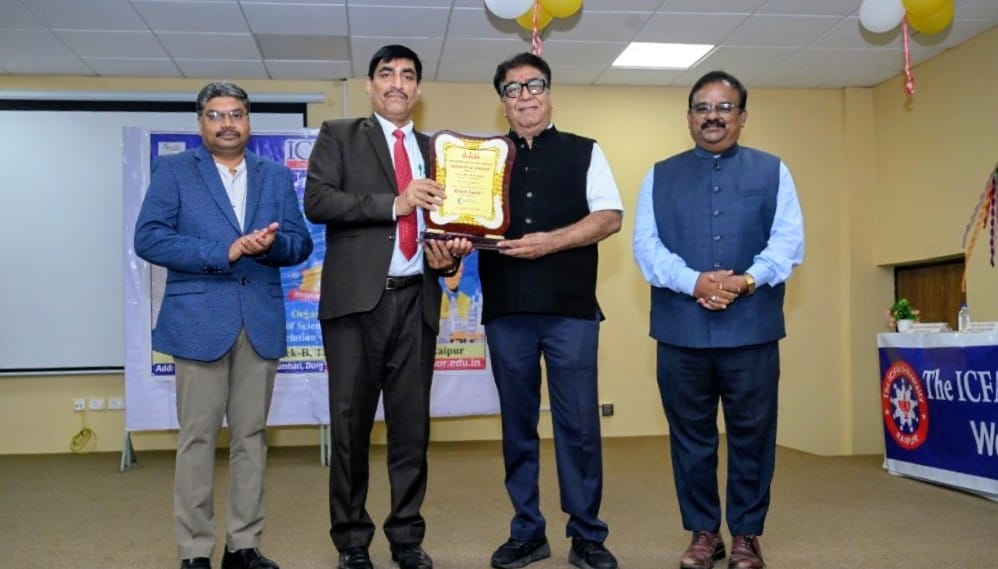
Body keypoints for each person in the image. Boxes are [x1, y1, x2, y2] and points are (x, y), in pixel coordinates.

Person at [303, 44, 472, 569]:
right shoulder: (339, 135)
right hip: (356, 308)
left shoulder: (438, 149)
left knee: (411, 430)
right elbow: (318, 201)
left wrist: (452, 252)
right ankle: (352, 541)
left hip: (416, 303)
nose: (397, 83)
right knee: (350, 428)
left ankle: (406, 537)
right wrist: (395, 203)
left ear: (418, 89)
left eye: (408, 75)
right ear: (370, 85)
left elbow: (448, 225)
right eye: (386, 74)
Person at [134, 81, 314, 569]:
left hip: (259, 322)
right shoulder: (175, 172)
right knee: (197, 439)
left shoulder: (275, 175)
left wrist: (270, 246)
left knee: (251, 438)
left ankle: (243, 546)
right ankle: (195, 550)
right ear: (201, 123)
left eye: (236, 114)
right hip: (198, 323)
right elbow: (149, 239)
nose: (227, 123)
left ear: (248, 120)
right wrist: (225, 251)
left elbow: (299, 243)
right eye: (215, 115)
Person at [632, 70, 805, 569]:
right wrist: (696, 283)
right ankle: (704, 533)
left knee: (753, 434)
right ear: (689, 117)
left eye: (724, 107)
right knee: (691, 438)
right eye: (703, 107)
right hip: (680, 331)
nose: (713, 116)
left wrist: (744, 281)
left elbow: (788, 244)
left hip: (751, 330)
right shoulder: (659, 175)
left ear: (742, 116)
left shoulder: (773, 171)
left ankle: (747, 535)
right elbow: (646, 247)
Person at [478, 52, 623, 569]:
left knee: (579, 426)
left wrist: (550, 242)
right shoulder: (484, 159)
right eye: (513, 89)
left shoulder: (586, 151)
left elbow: (609, 217)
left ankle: (587, 535)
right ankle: (527, 532)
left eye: (534, 85)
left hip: (571, 311)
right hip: (506, 311)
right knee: (517, 426)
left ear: (549, 93)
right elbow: (465, 222)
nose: (525, 96)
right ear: (503, 103)